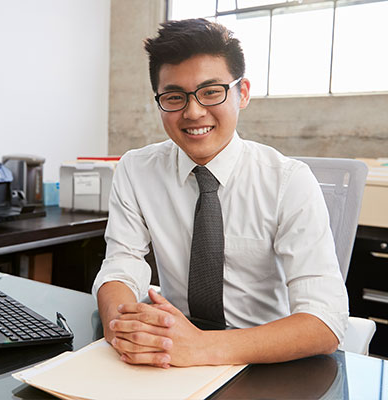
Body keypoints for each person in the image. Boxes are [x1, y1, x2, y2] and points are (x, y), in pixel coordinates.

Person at [92, 18, 348, 368]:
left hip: (265, 361)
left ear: (241, 93)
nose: (193, 111)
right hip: (173, 354)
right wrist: (121, 326)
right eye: (174, 96)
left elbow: (326, 321)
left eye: (211, 92)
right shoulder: (136, 170)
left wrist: (204, 347)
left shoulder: (289, 181)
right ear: (159, 101)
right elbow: (121, 265)